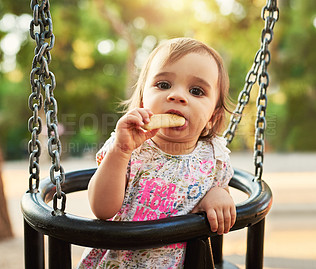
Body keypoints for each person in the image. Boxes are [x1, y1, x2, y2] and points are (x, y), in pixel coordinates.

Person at [78, 37, 236, 269]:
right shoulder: (128, 146)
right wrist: (120, 152)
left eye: (196, 90)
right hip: (117, 262)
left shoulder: (214, 157)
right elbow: (102, 208)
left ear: (212, 115)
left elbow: (221, 190)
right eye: (163, 85)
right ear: (143, 99)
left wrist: (219, 194)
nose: (177, 96)